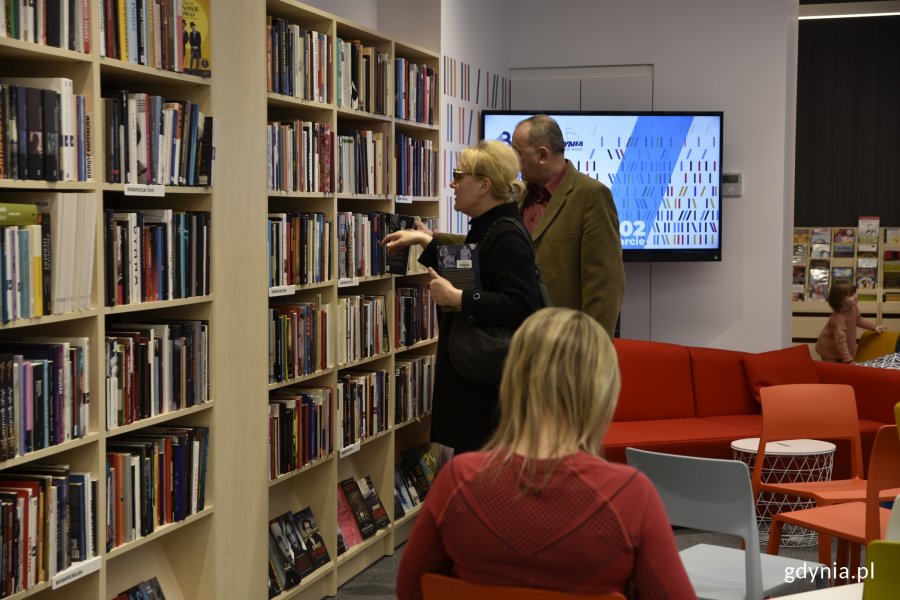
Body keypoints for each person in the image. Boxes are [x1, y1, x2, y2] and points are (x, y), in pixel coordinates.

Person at [395, 308, 694, 599]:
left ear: (512, 379)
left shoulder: (457, 481)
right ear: (601, 393)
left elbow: (411, 590)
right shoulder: (630, 496)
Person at [383, 140, 541, 453]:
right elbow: (473, 270)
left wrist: (457, 300)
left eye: (459, 175)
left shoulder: (505, 234)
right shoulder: (489, 227)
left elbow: (523, 305)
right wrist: (424, 241)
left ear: (484, 185)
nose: (452, 184)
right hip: (483, 382)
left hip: (491, 390)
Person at [511, 114, 625, 339]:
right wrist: (434, 238)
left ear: (543, 154)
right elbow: (493, 240)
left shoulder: (591, 195)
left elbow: (605, 286)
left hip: (566, 345)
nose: (513, 161)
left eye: (518, 153)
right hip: (519, 341)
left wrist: (590, 350)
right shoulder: (518, 195)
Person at [815, 280, 886, 363]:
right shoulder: (838, 318)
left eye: (855, 293)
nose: (856, 296)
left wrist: (874, 327)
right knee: (832, 372)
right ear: (840, 300)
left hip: (842, 348)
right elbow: (840, 341)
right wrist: (848, 359)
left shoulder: (853, 308)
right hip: (829, 350)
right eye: (851, 295)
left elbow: (859, 320)